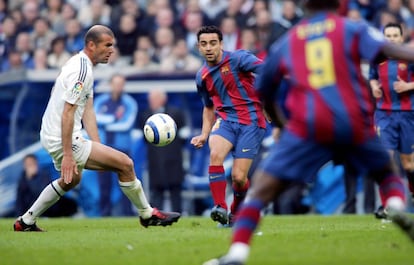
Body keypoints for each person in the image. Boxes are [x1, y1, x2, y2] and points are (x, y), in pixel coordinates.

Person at [203, 1, 414, 264]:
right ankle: (394, 205)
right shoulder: (351, 28)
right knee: (388, 172)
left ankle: (236, 254)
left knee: (259, 191)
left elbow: (265, 89)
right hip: (352, 121)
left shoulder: (288, 41)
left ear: (304, 6)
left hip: (309, 125)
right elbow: (386, 50)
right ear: (338, 4)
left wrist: (281, 123)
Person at [13, 25, 180, 232]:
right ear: (91, 45)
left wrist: (97, 145)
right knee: (125, 164)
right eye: (107, 45)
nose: (112, 50)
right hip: (62, 138)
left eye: (113, 45)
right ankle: (147, 214)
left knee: (71, 180)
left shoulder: (82, 65)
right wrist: (67, 154)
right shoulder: (81, 71)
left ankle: (26, 221)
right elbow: (68, 112)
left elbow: (87, 109)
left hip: (55, 135)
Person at [191, 25, 267, 227]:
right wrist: (204, 134)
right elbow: (208, 108)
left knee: (239, 178)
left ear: (221, 44)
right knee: (215, 154)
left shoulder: (239, 58)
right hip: (225, 120)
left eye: (213, 43)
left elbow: (266, 70)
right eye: (204, 44)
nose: (209, 48)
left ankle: (234, 213)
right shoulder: (202, 76)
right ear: (198, 47)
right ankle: (220, 208)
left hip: (251, 120)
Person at [369, 22, 414, 217]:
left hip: (407, 115)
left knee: (408, 164)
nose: (392, 38)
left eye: (395, 35)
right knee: (383, 161)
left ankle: (412, 195)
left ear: (401, 38)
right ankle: (387, 206)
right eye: (388, 35)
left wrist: (408, 86)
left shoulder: (409, 57)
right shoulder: (376, 57)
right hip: (384, 115)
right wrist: (373, 86)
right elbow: (372, 76)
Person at [139, 88, 189, 213]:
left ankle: (178, 214)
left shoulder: (175, 113)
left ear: (163, 99)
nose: (152, 101)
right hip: (155, 160)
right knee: (156, 191)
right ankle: (157, 215)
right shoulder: (146, 116)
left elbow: (184, 137)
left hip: (174, 159)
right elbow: (144, 138)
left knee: (175, 190)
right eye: (150, 99)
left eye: (154, 98)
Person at [94, 74, 137, 216]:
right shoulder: (101, 101)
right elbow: (94, 118)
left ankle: (127, 213)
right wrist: (113, 118)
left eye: (121, 84)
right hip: (104, 147)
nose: (118, 87)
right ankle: (104, 213)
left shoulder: (130, 103)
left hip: (122, 148)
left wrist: (105, 124)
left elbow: (126, 125)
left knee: (126, 182)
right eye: (115, 83)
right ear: (111, 85)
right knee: (104, 184)